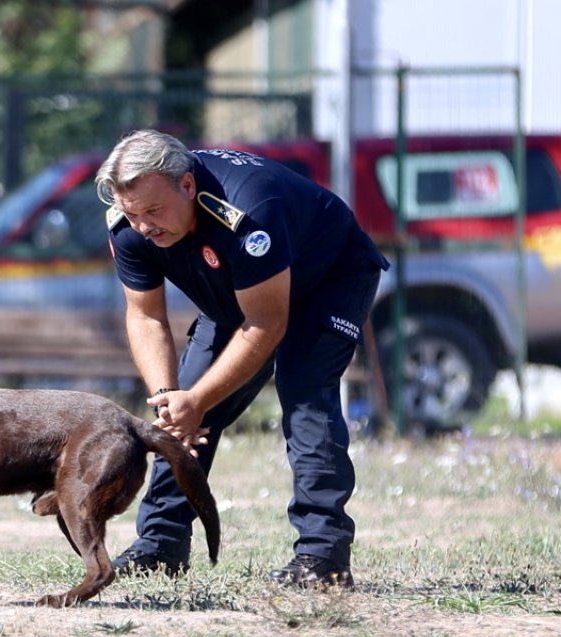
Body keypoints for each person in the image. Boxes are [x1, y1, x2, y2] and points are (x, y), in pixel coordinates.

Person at [96, 129, 389, 588]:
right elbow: (145, 316)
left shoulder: (247, 212)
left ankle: (323, 556)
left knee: (304, 390)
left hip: (327, 279)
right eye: (133, 214)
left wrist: (198, 398)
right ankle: (162, 544)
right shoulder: (132, 227)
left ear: (187, 185)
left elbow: (268, 325)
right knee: (180, 411)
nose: (144, 227)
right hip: (240, 293)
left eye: (153, 211)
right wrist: (170, 396)